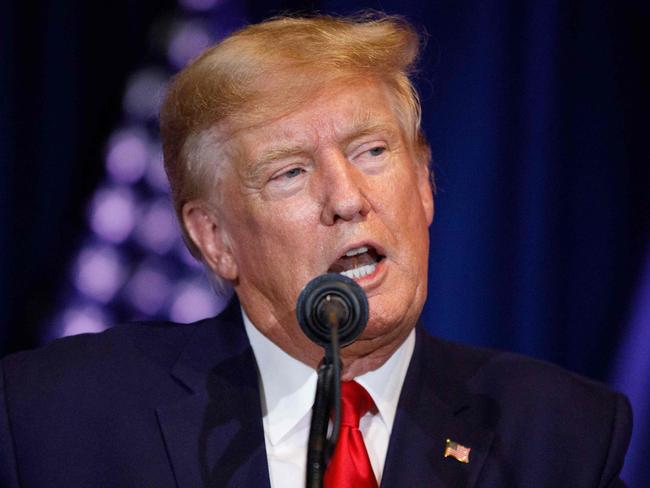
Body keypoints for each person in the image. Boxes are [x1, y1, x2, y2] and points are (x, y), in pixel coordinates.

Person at [0, 13, 631, 488]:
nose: (347, 198)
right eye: (290, 172)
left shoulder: (560, 436)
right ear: (215, 240)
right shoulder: (57, 418)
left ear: (423, 186)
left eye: (372, 153)